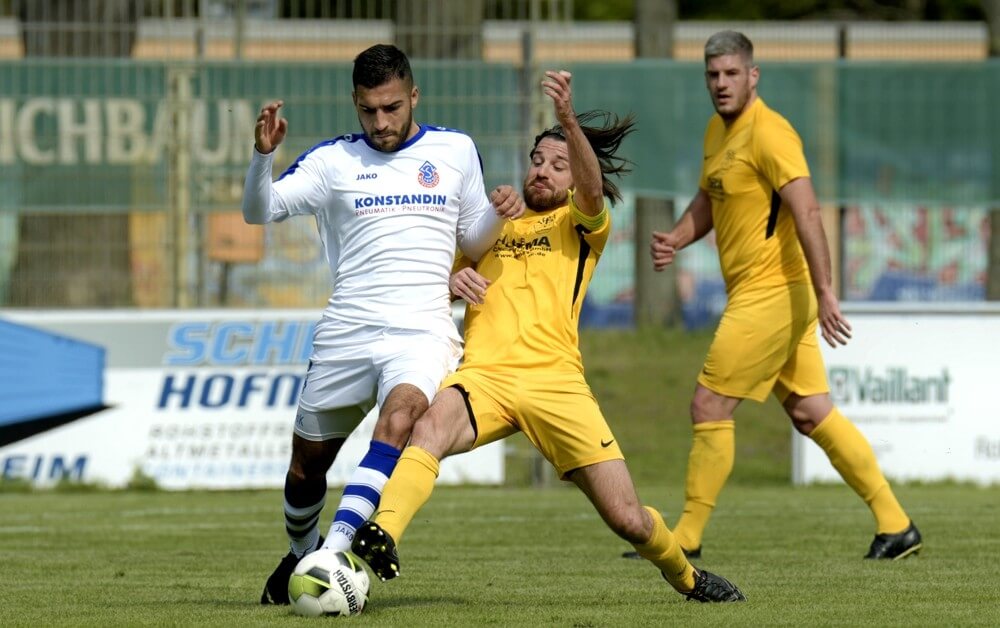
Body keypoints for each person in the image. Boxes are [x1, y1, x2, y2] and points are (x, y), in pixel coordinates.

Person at [349, 69, 746, 604]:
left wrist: (566, 122)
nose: (543, 171)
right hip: (484, 378)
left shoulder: (581, 226)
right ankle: (384, 534)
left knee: (628, 519)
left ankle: (687, 576)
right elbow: (431, 284)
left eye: (558, 165)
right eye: (538, 160)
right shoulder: (490, 227)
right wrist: (450, 279)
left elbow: (587, 186)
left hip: (557, 386)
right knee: (428, 430)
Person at [243, 43, 523, 605]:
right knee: (305, 471)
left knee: (400, 418)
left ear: (413, 95)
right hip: (347, 329)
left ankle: (335, 552)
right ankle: (302, 555)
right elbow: (259, 211)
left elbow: (471, 239)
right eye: (369, 110)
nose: (381, 122)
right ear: (355, 102)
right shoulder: (332, 162)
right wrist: (262, 158)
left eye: (392, 108)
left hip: (422, 329)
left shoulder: (455, 151)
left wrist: (499, 211)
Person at [646, 31, 922, 561]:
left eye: (731, 74)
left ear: (754, 76)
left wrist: (826, 291)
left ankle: (686, 537)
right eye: (713, 75)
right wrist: (677, 238)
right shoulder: (717, 131)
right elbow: (710, 196)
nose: (721, 84)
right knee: (811, 412)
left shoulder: (771, 134)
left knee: (709, 403)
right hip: (771, 295)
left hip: (773, 293)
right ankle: (896, 523)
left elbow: (809, 211)